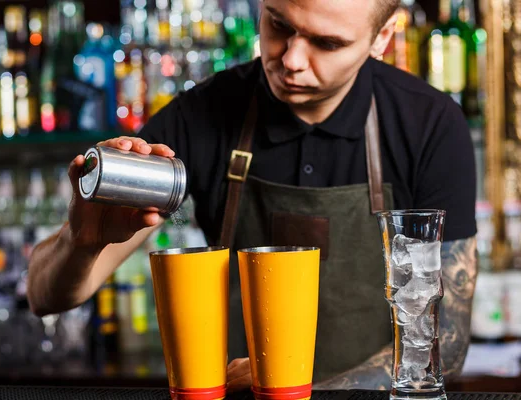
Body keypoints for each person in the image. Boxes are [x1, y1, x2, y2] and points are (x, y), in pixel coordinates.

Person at [27, 0, 478, 391]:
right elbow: (45, 297)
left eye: (327, 43)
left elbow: (445, 346)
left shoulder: (430, 126)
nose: (292, 60)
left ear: (381, 38)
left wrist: (295, 393)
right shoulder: (202, 114)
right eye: (279, 25)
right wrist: (82, 243)